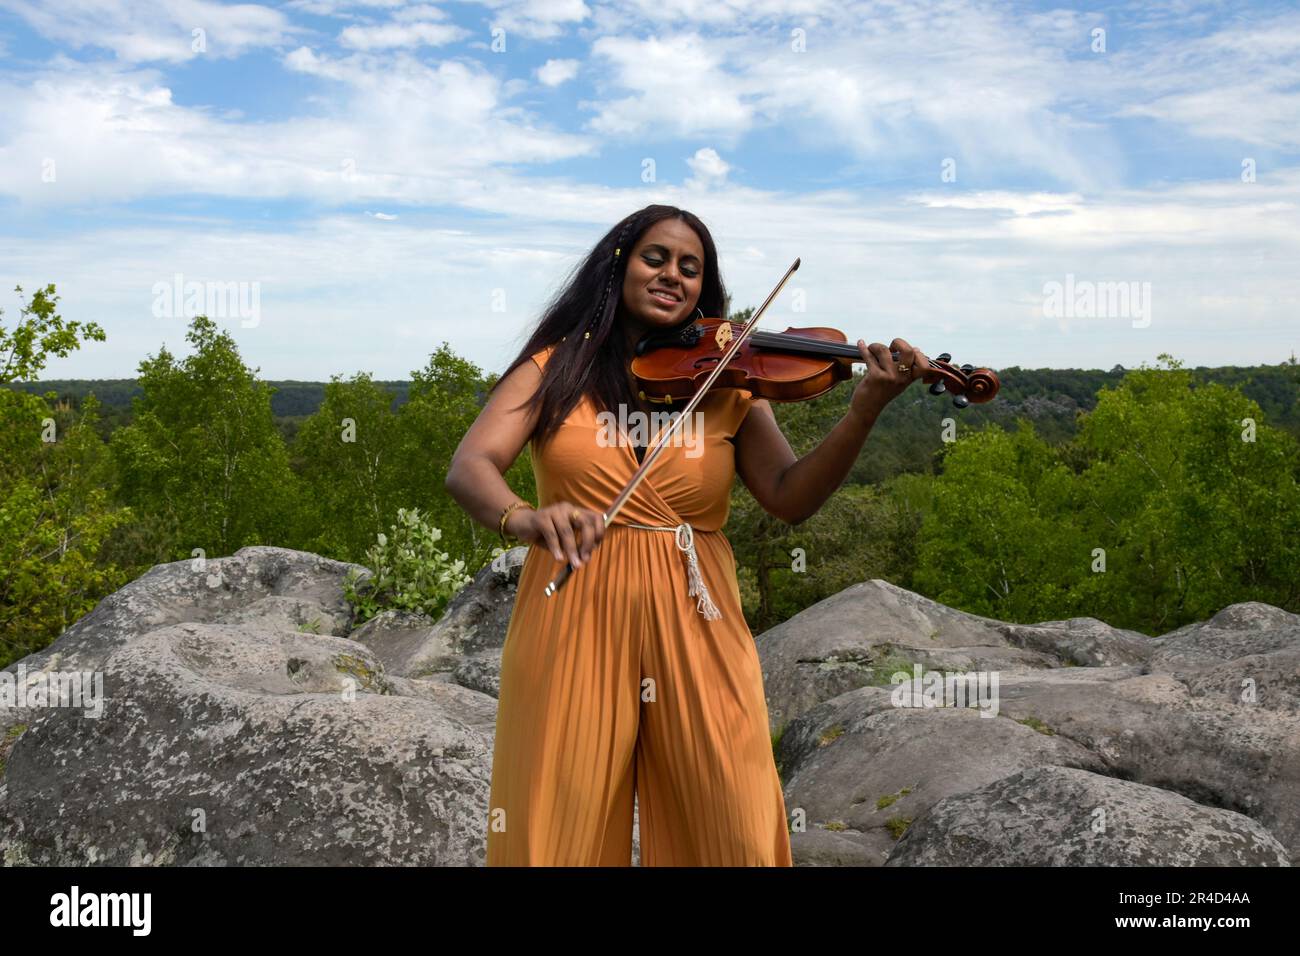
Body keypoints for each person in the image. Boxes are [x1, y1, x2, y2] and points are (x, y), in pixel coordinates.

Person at [444, 203, 928, 866]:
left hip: (697, 608)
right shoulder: (553, 368)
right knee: (556, 820)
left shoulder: (728, 380)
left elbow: (790, 497)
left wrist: (864, 409)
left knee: (732, 815)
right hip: (576, 605)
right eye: (657, 257)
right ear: (619, 265)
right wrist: (523, 517)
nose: (674, 274)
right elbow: (470, 465)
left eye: (691, 268)